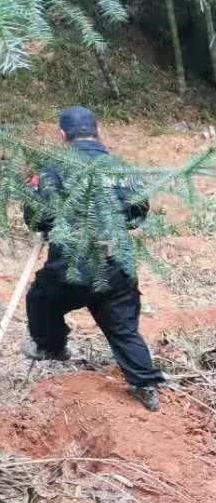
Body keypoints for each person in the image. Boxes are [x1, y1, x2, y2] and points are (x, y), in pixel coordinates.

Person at [22, 106, 165, 412]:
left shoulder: (53, 168)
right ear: (97, 130)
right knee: (123, 328)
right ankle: (145, 385)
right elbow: (138, 209)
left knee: (40, 298)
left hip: (70, 267)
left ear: (63, 135)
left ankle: (51, 346)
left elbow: (36, 216)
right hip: (116, 266)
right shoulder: (119, 167)